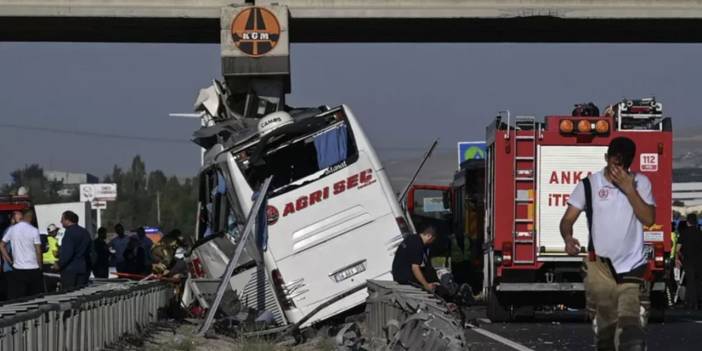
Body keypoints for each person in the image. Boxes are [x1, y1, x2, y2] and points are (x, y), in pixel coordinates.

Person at [560, 137, 655, 351]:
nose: (617, 171)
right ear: (606, 159)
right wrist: (568, 238)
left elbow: (649, 219)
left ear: (630, 163)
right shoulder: (589, 185)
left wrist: (630, 189)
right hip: (601, 270)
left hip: (632, 268)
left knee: (631, 333)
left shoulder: (641, 183)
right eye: (614, 164)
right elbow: (567, 220)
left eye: (623, 166)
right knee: (606, 336)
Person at [0, 209, 44, 299]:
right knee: (35, 298)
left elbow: (1, 245)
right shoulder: (34, 230)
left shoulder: (12, 229)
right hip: (33, 268)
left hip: (18, 269)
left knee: (19, 298)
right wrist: (40, 265)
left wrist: (10, 261)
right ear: (31, 218)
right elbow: (38, 251)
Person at [392, 225, 440, 292]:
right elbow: (415, 268)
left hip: (398, 275)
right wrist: (426, 285)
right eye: (432, 240)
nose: (431, 242)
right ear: (429, 236)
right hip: (406, 280)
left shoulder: (412, 238)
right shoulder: (418, 244)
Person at [56, 210, 92, 290]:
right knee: (80, 293)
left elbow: (67, 253)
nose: (61, 221)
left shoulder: (69, 233)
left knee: (68, 294)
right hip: (83, 269)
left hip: (70, 270)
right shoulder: (85, 232)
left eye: (62, 219)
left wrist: (59, 264)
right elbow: (91, 251)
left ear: (68, 220)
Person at [678, 213, 702, 309]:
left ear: (687, 222)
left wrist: (677, 258)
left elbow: (678, 248)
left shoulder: (683, 233)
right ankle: (698, 301)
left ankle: (691, 302)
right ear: (696, 222)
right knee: (698, 281)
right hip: (699, 260)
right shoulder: (700, 233)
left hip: (688, 260)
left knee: (690, 281)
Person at [42, 223, 61, 292]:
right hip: (53, 266)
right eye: (56, 231)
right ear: (53, 232)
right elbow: (55, 253)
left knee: (47, 288)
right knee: (54, 289)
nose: (57, 232)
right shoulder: (53, 240)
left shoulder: (44, 240)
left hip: (44, 266)